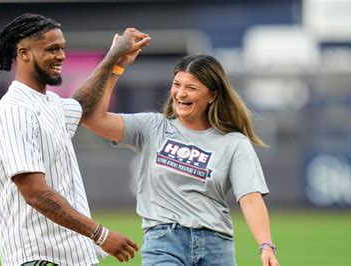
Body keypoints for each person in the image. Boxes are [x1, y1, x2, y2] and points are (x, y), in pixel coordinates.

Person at [81, 49, 280, 265]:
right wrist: (114, 66)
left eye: (191, 88)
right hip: (164, 243)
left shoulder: (234, 142)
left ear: (212, 95)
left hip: (216, 246)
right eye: (177, 85)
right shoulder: (153, 127)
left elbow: (250, 199)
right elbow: (94, 118)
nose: (181, 93)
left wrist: (266, 245)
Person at [0, 13, 151, 265]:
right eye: (52, 49)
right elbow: (35, 193)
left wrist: (114, 61)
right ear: (23, 53)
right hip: (40, 257)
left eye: (62, 49)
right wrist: (101, 234)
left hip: (70, 255)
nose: (61, 56)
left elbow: (82, 105)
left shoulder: (49, 102)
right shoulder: (15, 110)